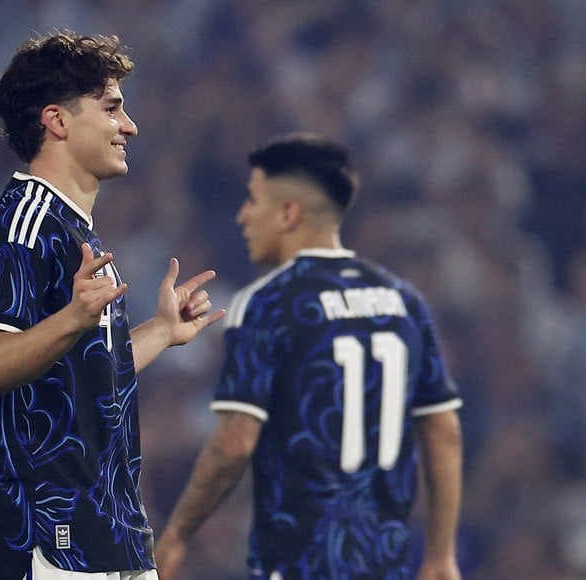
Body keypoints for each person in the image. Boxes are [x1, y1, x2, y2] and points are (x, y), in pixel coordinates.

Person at [0, 31, 224, 580]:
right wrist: (75, 317)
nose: (129, 126)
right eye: (111, 108)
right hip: (43, 541)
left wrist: (160, 332)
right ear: (56, 121)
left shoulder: (77, 233)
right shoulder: (20, 226)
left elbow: (85, 372)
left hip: (109, 535)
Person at [154, 133, 463, 580]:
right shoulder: (404, 301)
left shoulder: (268, 304)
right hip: (385, 563)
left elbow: (235, 443)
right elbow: (444, 432)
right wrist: (440, 554)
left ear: (289, 213)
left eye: (253, 201)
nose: (242, 216)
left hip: (301, 561)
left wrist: (179, 532)